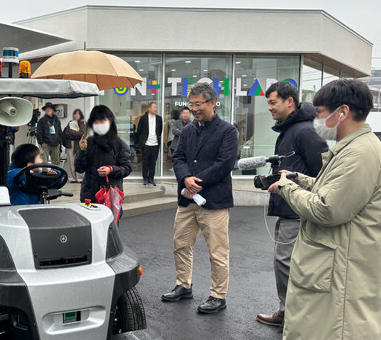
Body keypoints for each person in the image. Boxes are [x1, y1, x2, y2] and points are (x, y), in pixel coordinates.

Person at [259, 79, 381, 340]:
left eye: (321, 112)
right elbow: (330, 189)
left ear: (343, 112)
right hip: (332, 258)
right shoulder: (352, 147)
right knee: (310, 322)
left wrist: (287, 189)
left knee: (338, 336)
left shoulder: (361, 153)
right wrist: (298, 179)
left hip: (346, 264)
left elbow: (328, 208)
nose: (316, 120)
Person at [256, 81, 328, 327]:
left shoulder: (304, 131)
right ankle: (289, 313)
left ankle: (292, 317)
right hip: (288, 208)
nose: (269, 108)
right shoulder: (290, 130)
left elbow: (322, 174)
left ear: (289, 101)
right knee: (285, 262)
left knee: (286, 262)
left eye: (272, 102)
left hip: (297, 211)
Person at [162, 82, 238, 314]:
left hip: (214, 202)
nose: (194, 109)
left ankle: (218, 296)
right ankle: (183, 285)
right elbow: (178, 157)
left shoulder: (227, 131)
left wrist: (195, 184)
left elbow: (224, 164)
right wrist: (185, 178)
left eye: (198, 104)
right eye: (191, 104)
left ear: (212, 102)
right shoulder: (187, 131)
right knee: (181, 244)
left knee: (217, 252)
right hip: (187, 201)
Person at [75, 105, 132, 214]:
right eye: (96, 122)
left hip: (110, 197)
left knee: (110, 224)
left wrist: (111, 169)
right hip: (90, 196)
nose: (99, 124)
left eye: (102, 121)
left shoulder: (119, 144)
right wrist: (82, 151)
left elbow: (127, 168)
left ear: (110, 122)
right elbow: (79, 168)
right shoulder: (89, 142)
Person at [135, 101, 162, 186]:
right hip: (146, 144)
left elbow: (160, 131)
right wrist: (141, 141)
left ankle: (151, 178)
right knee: (145, 162)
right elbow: (139, 130)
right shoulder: (143, 118)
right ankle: (145, 178)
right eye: (154, 107)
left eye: (156, 107)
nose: (156, 109)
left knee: (153, 162)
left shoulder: (159, 118)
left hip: (155, 144)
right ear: (149, 108)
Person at [63, 108, 85, 182]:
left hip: (79, 144)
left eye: (78, 114)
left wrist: (72, 133)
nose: (76, 115)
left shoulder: (83, 123)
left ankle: (80, 178)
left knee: (79, 160)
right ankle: (72, 178)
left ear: (80, 115)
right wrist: (76, 134)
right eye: (75, 114)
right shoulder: (70, 123)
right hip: (70, 144)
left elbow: (81, 134)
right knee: (71, 161)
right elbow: (66, 133)